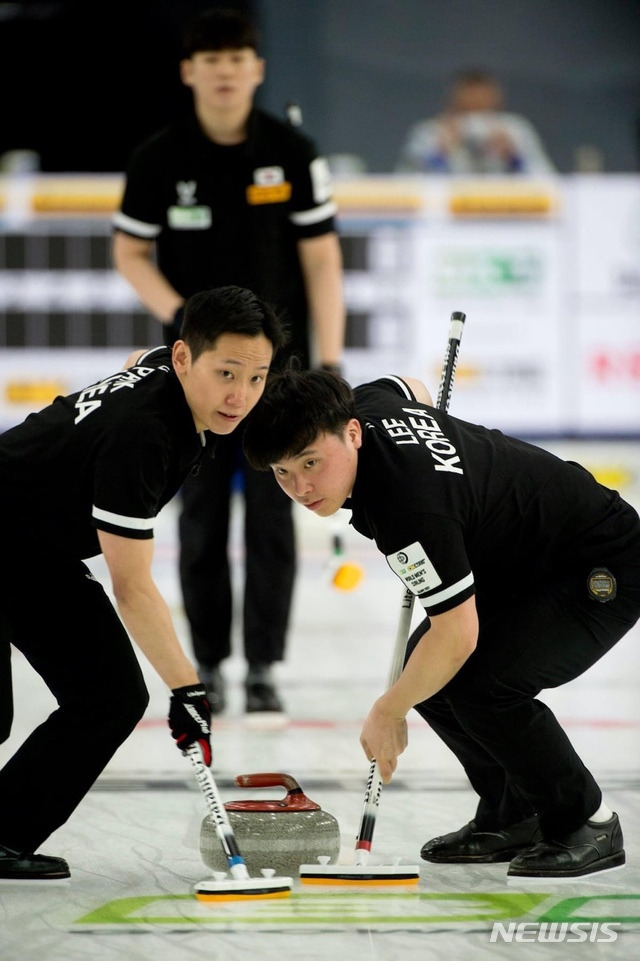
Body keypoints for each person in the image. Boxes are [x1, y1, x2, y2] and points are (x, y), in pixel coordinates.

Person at [242, 368, 640, 879]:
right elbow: (410, 387)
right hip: (525, 561)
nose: (300, 487)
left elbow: (458, 637)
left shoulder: (408, 508)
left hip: (598, 563)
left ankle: (586, 821)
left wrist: (388, 711)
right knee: (425, 672)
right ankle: (513, 811)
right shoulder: (369, 403)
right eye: (282, 472)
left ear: (353, 433)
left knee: (480, 682)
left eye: (311, 463)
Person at [0, 286, 287, 880]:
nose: (241, 396)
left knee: (109, 696)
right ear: (184, 358)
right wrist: (188, 689)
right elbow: (132, 588)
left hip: (33, 554)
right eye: (225, 373)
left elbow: (138, 360)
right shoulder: (146, 436)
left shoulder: (166, 372)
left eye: (257, 377)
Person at [112, 7, 345, 717]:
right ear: (189, 71)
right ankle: (207, 660)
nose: (225, 72)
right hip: (201, 377)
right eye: (210, 59)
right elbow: (128, 252)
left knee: (276, 517)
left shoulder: (293, 151)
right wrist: (186, 325)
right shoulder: (159, 159)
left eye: (237, 58)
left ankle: (264, 665)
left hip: (280, 373)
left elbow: (322, 259)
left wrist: (329, 361)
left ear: (257, 68)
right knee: (202, 518)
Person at [397, 68, 556, 175]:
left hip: (505, 213)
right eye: (469, 94)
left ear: (496, 97)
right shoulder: (430, 132)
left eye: (482, 95)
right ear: (453, 97)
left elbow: (547, 183)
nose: (476, 100)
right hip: (446, 215)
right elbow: (405, 187)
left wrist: (513, 157)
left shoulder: (515, 129)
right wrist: (440, 154)